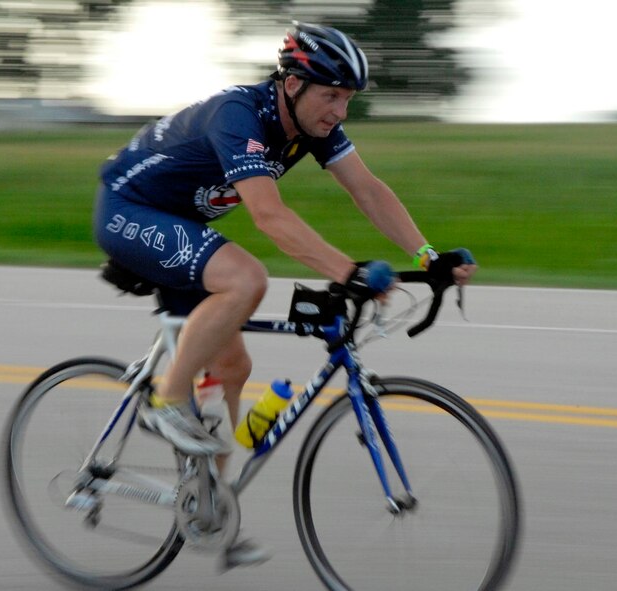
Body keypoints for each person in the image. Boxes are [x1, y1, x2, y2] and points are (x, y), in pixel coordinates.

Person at [93, 21, 476, 567]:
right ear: (292, 84)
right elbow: (269, 217)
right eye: (332, 96)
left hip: (180, 224)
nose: (340, 111)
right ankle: (166, 401)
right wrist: (346, 271)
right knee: (246, 279)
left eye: (348, 99)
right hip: (129, 210)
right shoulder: (239, 117)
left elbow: (367, 189)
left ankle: (206, 510)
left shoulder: (312, 127)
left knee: (232, 368)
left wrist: (428, 256)